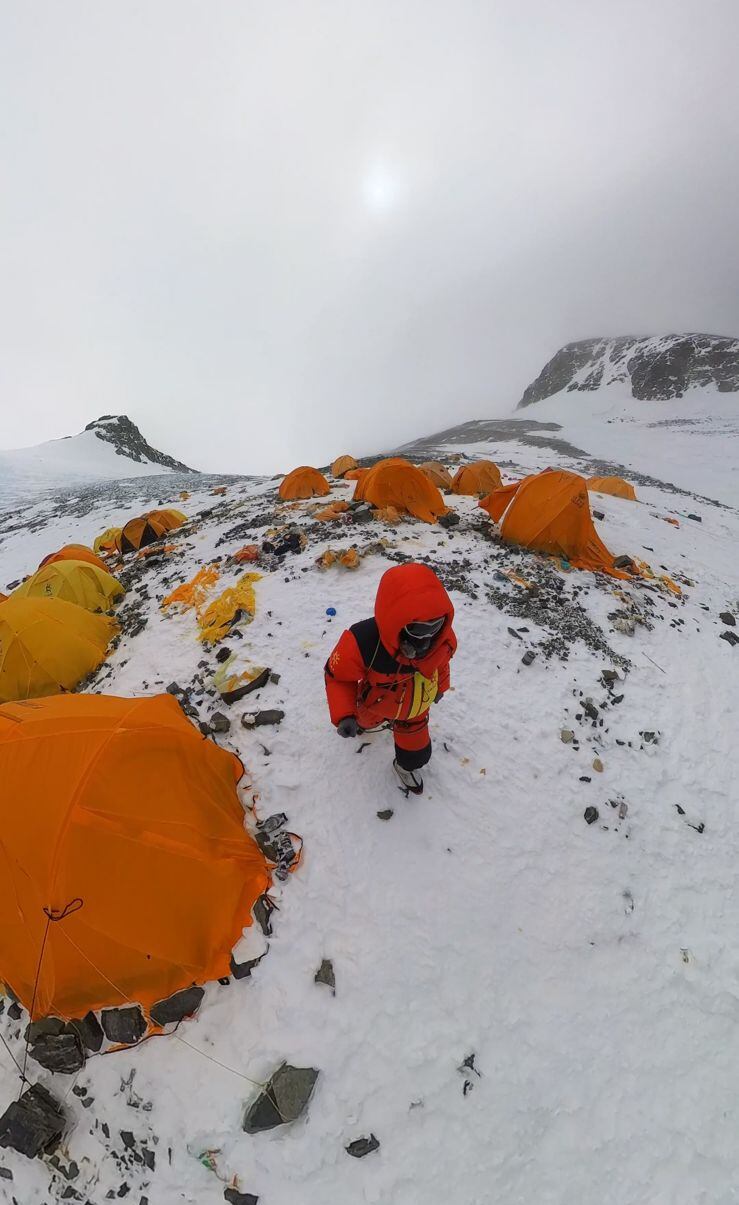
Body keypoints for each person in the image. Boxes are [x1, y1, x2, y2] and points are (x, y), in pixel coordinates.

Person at [324, 563, 456, 794]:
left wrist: (440, 687)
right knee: (364, 723)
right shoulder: (362, 641)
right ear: (396, 619)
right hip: (376, 703)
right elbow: (337, 677)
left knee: (417, 754)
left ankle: (405, 766)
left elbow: (441, 663)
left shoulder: (441, 638)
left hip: (416, 706)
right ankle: (364, 724)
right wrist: (345, 715)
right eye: (417, 629)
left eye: (434, 627)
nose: (427, 638)